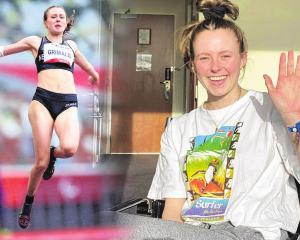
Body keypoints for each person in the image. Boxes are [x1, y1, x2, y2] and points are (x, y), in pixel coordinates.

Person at [147, 0, 300, 239]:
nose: (215, 67)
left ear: (243, 59)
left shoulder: (271, 110)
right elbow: (173, 211)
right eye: (204, 58)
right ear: (193, 65)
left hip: (255, 232)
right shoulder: (177, 129)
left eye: (225, 55)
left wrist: (293, 118)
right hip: (193, 232)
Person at [0, 6, 99, 229]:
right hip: (42, 101)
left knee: (70, 148)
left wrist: (94, 75)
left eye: (61, 17)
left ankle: (54, 154)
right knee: (40, 163)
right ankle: (28, 202)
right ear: (46, 22)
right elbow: (5, 50)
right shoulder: (36, 42)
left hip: (67, 102)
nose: (57, 19)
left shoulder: (71, 46)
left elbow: (85, 63)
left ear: (65, 23)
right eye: (53, 16)